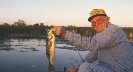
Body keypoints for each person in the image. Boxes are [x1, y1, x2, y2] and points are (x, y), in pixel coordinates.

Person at [52, 9, 133, 72]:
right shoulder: (102, 37)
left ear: (107, 19)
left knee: (85, 67)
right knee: (83, 66)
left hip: (122, 70)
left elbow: (92, 43)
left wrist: (65, 33)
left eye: (99, 20)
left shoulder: (113, 30)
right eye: (93, 23)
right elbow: (93, 55)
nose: (96, 24)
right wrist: (76, 67)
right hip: (110, 69)